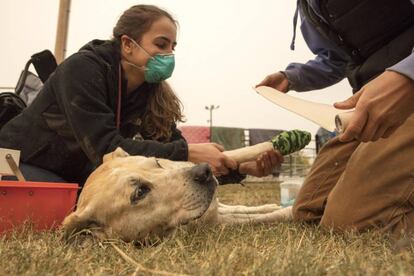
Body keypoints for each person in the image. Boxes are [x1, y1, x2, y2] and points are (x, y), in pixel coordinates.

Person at [0, 5, 282, 185]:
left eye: (173, 46)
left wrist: (240, 169)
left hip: (78, 171)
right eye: (161, 44)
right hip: (20, 161)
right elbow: (107, 150)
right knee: (69, 203)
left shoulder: (150, 92)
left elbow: (174, 155)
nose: (169, 54)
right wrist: (190, 151)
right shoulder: (82, 70)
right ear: (127, 44)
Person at [257, 0, 414, 237]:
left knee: (353, 224)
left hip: (405, 97)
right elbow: (337, 59)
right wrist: (292, 77)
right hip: (369, 108)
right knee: (309, 211)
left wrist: (407, 76)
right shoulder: (308, 6)